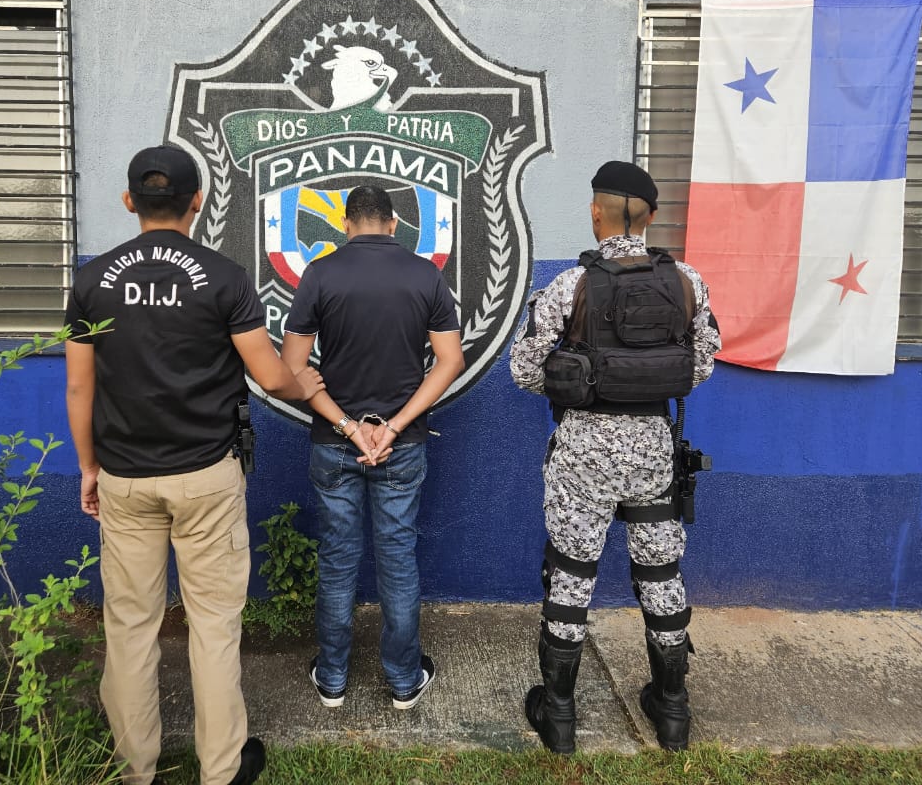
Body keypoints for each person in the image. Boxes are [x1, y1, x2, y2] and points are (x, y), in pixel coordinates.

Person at [64, 145, 323, 785]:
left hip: (125, 478)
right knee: (213, 625)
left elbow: (79, 387)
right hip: (206, 477)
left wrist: (89, 467)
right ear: (197, 202)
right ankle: (221, 770)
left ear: (130, 201)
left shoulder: (93, 281)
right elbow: (270, 376)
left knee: (129, 627)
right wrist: (308, 384)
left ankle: (135, 770)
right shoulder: (225, 278)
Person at [509, 160, 721, 753]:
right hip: (653, 449)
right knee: (660, 572)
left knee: (571, 573)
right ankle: (672, 711)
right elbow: (702, 364)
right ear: (650, 217)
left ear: (595, 214)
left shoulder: (570, 285)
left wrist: (582, 387)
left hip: (583, 452)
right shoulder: (687, 282)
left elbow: (524, 370)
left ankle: (559, 717)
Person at [279, 184, 465, 711]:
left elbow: (292, 368)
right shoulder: (425, 274)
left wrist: (350, 426)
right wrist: (394, 426)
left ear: (345, 225)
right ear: (393, 224)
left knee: (338, 559)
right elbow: (450, 361)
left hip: (336, 442)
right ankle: (404, 681)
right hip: (401, 444)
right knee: (398, 559)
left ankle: (332, 679)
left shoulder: (319, 274)